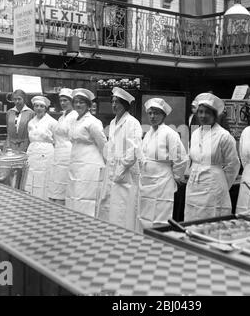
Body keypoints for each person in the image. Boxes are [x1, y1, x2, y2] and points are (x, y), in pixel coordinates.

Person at [185, 93, 240, 221]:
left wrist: (221, 185)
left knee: (210, 220)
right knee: (192, 219)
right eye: (200, 112)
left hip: (214, 187)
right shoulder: (195, 133)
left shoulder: (223, 136)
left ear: (215, 115)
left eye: (207, 112)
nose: (203, 116)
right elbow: (192, 157)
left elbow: (233, 165)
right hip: (194, 185)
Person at [138, 98, 188, 230]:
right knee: (145, 215)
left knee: (160, 216)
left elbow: (180, 158)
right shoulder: (148, 133)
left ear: (163, 115)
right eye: (150, 113)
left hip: (162, 182)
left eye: (156, 113)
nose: (153, 116)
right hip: (146, 181)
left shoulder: (169, 133)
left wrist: (176, 178)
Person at [97, 87, 142, 230]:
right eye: (113, 102)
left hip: (126, 171)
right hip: (112, 167)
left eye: (117, 102)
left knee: (123, 207)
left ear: (125, 105)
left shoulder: (132, 122)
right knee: (109, 205)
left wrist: (122, 167)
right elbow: (110, 146)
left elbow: (134, 148)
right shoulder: (112, 123)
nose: (114, 105)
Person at [65, 88, 107, 216]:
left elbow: (103, 145)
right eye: (76, 102)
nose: (78, 105)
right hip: (75, 161)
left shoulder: (93, 122)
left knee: (85, 195)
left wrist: (107, 164)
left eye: (82, 102)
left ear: (88, 105)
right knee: (74, 193)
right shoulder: (73, 120)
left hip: (90, 164)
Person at [47, 88, 78, 205]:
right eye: (61, 101)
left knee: (64, 180)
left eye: (66, 100)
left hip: (68, 152)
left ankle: (63, 205)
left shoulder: (75, 116)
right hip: (58, 152)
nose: (63, 103)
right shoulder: (61, 117)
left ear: (72, 101)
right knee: (56, 179)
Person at [24, 96, 57, 199]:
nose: (39, 108)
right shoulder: (31, 122)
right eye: (36, 106)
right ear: (33, 107)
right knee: (31, 174)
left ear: (45, 108)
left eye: (41, 106)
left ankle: (44, 199)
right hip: (33, 151)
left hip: (46, 152)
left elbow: (56, 140)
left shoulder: (52, 122)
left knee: (44, 176)